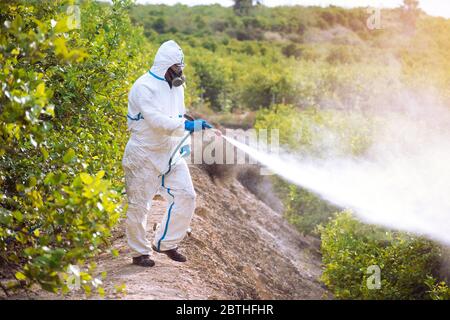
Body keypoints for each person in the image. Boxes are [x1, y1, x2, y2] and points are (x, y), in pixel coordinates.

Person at [122, 40, 211, 267]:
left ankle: (165, 243)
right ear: (165, 66)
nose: (180, 73)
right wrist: (187, 127)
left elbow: (176, 115)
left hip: (170, 153)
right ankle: (139, 252)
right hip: (143, 154)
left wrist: (184, 136)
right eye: (176, 69)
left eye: (182, 68)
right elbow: (157, 121)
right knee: (140, 205)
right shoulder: (144, 87)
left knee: (187, 196)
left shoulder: (177, 87)